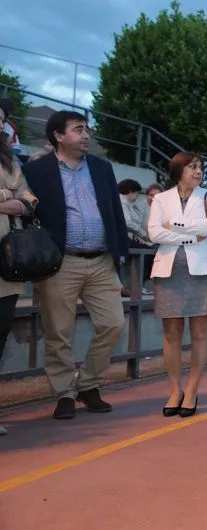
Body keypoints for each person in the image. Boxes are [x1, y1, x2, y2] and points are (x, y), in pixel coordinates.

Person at [22, 110, 128, 420]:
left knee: (113, 324)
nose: (86, 135)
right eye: (78, 129)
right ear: (58, 136)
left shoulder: (102, 168)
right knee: (58, 332)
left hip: (101, 261)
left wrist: (119, 254)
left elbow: (114, 214)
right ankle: (65, 392)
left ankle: (88, 384)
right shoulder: (37, 171)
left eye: (87, 130)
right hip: (59, 262)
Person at [148, 152, 207, 417]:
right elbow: (154, 232)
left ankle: (191, 390)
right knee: (172, 333)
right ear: (179, 170)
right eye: (193, 167)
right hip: (168, 271)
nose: (198, 171)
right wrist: (192, 236)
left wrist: (176, 225)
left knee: (200, 332)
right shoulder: (161, 198)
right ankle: (175, 389)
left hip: (200, 271)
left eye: (201, 167)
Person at [0, 131, 38, 436]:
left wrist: (13, 199)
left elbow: (28, 201)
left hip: (6, 262)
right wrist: (8, 197)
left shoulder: (10, 161)